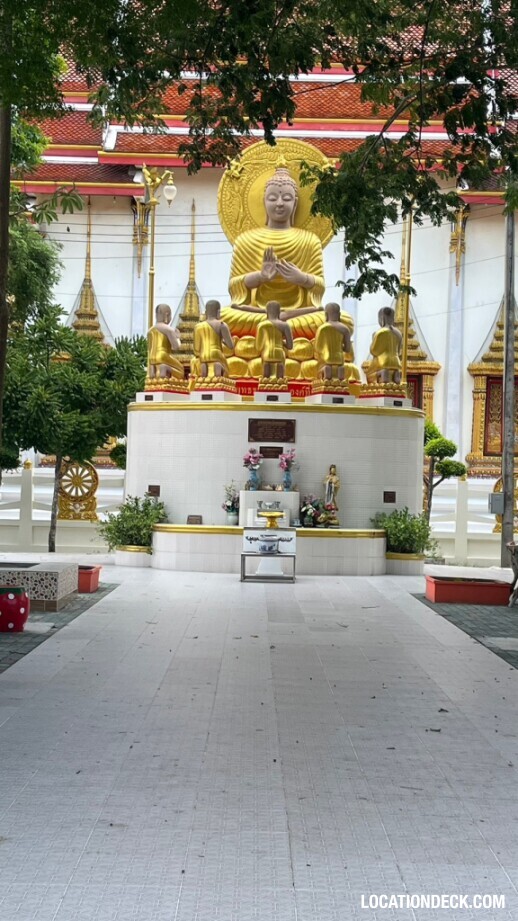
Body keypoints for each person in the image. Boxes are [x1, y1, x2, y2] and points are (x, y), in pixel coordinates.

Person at [193, 300, 234, 378]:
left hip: (203, 356)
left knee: (199, 364)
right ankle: (219, 367)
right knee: (226, 372)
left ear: (205, 312)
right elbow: (231, 346)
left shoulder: (197, 327)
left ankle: (204, 370)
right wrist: (224, 341)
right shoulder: (221, 325)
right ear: (218, 312)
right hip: (217, 355)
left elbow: (196, 350)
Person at [256, 301, 294, 379]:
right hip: (280, 354)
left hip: (266, 354)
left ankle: (265, 380)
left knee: (265, 375)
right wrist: (282, 343)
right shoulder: (285, 325)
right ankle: (280, 381)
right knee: (280, 376)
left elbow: (258, 347)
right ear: (279, 311)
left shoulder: (261, 325)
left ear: (266, 311)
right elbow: (290, 346)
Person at [147, 303, 183, 380]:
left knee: (155, 372)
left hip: (151, 358)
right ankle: (166, 368)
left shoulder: (150, 331)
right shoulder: (168, 329)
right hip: (163, 355)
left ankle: (153, 371)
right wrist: (178, 337)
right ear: (167, 315)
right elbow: (176, 347)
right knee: (181, 370)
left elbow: (149, 349)